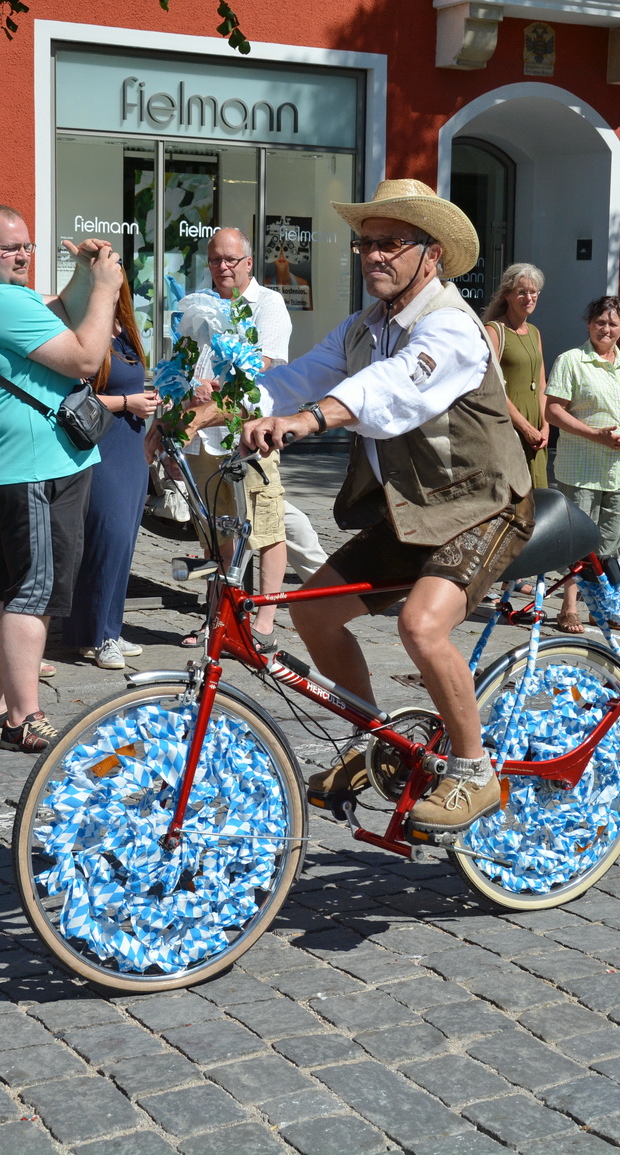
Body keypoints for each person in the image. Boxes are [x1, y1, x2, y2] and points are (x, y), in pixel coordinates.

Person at [237, 178, 534, 834]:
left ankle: (474, 770)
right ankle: (380, 748)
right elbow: (296, 377)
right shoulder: (364, 327)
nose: (374, 255)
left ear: (431, 255)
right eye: (366, 243)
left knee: (423, 627)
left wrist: (311, 420)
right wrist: (214, 406)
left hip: (485, 506)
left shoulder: (452, 328)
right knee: (313, 613)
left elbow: (392, 387)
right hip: (415, 511)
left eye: (390, 243)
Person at [0, 204, 120, 753]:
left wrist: (83, 276)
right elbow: (85, 356)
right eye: (9, 249)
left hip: (3, 467)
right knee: (34, 592)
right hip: (36, 468)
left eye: (27, 246)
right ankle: (25, 717)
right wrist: (108, 290)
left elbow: (56, 313)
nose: (22, 255)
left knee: (0, 590)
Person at [179, 226, 294, 649]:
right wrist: (193, 387)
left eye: (230, 260)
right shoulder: (201, 304)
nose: (222, 267)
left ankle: (263, 622)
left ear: (248, 262)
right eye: (214, 260)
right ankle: (217, 619)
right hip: (206, 436)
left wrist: (221, 380)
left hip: (250, 433)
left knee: (266, 527)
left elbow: (269, 362)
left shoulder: (267, 303)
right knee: (217, 532)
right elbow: (187, 359)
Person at [61, 283, 159, 670]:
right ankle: (99, 637)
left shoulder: (126, 331)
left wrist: (150, 401)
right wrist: (127, 403)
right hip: (102, 445)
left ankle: (105, 630)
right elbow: (68, 396)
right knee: (108, 536)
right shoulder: (83, 333)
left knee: (122, 542)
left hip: (132, 447)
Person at [544, 295, 620, 634]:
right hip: (581, 470)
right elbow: (553, 411)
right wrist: (595, 434)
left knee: (610, 546)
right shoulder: (572, 361)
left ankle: (602, 607)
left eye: (613, 323)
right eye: (600, 322)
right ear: (589, 324)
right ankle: (568, 608)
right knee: (578, 544)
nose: (605, 328)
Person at [483, 262, 550, 493]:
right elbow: (489, 388)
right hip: (509, 427)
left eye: (533, 292)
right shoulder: (494, 331)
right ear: (508, 295)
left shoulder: (534, 332)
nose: (528, 298)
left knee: (539, 497)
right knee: (513, 496)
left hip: (536, 429)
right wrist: (525, 427)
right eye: (522, 292)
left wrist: (545, 426)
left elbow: (542, 384)